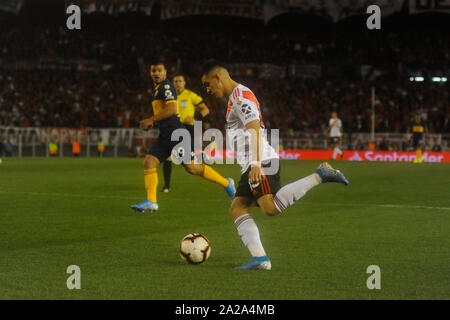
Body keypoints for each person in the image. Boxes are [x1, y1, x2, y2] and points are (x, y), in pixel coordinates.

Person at [200, 60, 349, 270]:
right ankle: (260, 258)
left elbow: (253, 128)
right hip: (252, 164)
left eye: (208, 84)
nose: (208, 90)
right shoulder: (235, 98)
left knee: (269, 207)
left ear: (218, 77)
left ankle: (320, 175)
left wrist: (255, 164)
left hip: (261, 161)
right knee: (237, 208)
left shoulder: (241, 97)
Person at [131, 61, 236, 213]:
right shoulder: (157, 89)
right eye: (153, 70)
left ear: (165, 72)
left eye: (159, 70)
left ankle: (227, 183)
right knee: (149, 162)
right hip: (166, 135)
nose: (156, 73)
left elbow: (172, 109)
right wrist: (154, 122)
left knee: (192, 168)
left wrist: (151, 120)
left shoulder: (166, 87)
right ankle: (151, 201)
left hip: (177, 134)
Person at [160, 74, 211, 193]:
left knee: (190, 162)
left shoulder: (190, 95)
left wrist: (196, 118)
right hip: (173, 128)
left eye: (180, 81)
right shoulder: (169, 97)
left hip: (188, 128)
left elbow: (205, 109)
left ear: (184, 83)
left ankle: (199, 153)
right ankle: (166, 186)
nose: (177, 83)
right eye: (175, 81)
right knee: (168, 157)